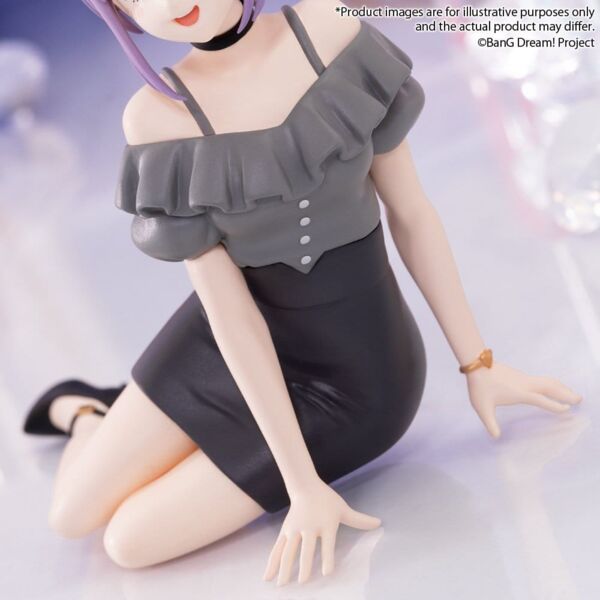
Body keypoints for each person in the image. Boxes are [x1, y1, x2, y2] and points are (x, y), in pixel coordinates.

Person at [23, 0, 582, 586]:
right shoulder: (156, 116)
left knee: (129, 541)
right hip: (228, 341)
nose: (168, 4)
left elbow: (412, 213)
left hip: (354, 386)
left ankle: (129, 422)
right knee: (70, 516)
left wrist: (478, 364)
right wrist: (300, 485)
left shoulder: (328, 29)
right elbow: (229, 312)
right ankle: (87, 413)